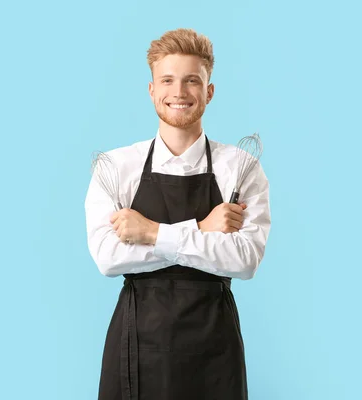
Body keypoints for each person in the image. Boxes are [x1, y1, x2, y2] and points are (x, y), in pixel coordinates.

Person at [84, 28, 271, 400]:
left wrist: (150, 232)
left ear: (209, 91)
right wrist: (202, 229)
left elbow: (245, 260)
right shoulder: (116, 167)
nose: (179, 93)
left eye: (192, 81)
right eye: (167, 80)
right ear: (152, 90)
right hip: (136, 345)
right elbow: (109, 259)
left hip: (214, 352)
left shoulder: (242, 168)